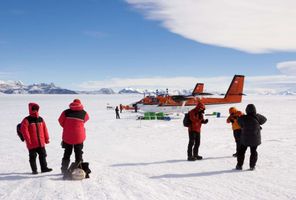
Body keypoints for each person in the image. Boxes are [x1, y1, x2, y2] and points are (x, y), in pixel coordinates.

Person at [59, 99, 89, 174]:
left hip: (67, 136)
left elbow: (60, 121)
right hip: (79, 136)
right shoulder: (84, 113)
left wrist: (68, 127)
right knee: (78, 153)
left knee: (67, 153)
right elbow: (86, 119)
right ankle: (79, 170)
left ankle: (64, 170)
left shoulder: (65, 112)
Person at [20, 103, 52, 174]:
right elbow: (24, 131)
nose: (35, 110)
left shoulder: (40, 119)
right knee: (33, 157)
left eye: (36, 108)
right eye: (33, 108)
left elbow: (45, 129)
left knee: (43, 155)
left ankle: (44, 168)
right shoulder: (27, 120)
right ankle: (34, 170)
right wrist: (28, 141)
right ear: (30, 109)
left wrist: (46, 139)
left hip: (41, 142)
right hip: (31, 143)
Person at [236, 104, 267, 170]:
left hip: (245, 139)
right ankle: (252, 166)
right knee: (253, 152)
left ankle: (239, 165)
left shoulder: (243, 117)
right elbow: (264, 119)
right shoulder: (257, 117)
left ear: (246, 110)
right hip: (255, 139)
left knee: (241, 152)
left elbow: (238, 122)